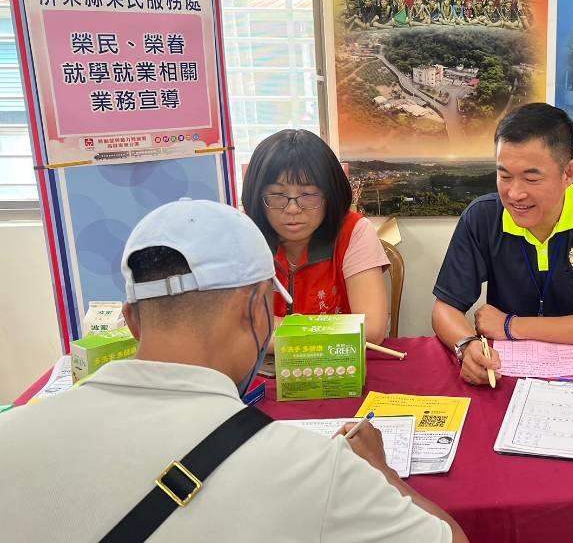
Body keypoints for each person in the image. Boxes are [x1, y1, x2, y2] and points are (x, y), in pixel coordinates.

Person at [0, 200, 465, 542]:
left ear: (130, 319)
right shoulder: (314, 469)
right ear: (259, 310)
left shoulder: (10, 435)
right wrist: (382, 471)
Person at [431, 104, 573, 386]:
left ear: (570, 173)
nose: (514, 193)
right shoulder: (483, 217)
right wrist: (466, 345)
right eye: (504, 175)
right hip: (507, 376)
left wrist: (510, 326)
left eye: (531, 178)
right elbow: (444, 309)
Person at [242, 129, 389, 345]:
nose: (292, 209)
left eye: (308, 195)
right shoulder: (244, 235)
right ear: (257, 195)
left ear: (330, 194)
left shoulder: (353, 231)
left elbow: (372, 329)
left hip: (337, 370)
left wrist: (271, 330)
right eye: (276, 195)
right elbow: (229, 329)